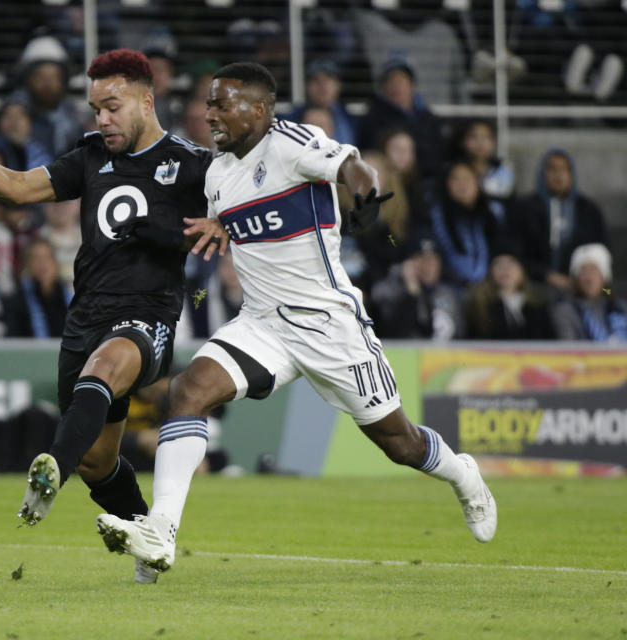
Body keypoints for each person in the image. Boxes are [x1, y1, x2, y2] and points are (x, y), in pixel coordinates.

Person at [95, 62, 497, 583]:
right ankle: (160, 533)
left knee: (401, 444)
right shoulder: (218, 173)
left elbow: (354, 166)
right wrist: (217, 224)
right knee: (189, 390)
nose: (209, 113)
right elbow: (239, 214)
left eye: (222, 103)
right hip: (263, 324)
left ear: (259, 110)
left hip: (330, 327)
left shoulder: (292, 142)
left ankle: (463, 474)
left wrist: (365, 195)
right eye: (208, 103)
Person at [0, 50, 218, 556]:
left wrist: (217, 224)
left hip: (149, 313)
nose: (103, 118)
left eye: (113, 106)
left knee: (103, 368)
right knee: (98, 463)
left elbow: (244, 206)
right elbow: (15, 187)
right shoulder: (91, 157)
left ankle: (50, 468)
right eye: (96, 108)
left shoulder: (191, 164)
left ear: (146, 100)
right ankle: (149, 540)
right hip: (85, 317)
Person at [507, 148, 608, 294]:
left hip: (582, 287)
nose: (558, 174)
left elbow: (602, 251)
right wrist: (545, 275)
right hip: (533, 285)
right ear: (542, 173)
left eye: (564, 169)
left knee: (609, 292)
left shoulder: (588, 210)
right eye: (552, 169)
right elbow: (515, 251)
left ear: (572, 174)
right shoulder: (524, 208)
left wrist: (582, 277)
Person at [462, 253, 555, 341]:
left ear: (521, 270)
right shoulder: (479, 307)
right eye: (498, 264)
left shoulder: (540, 304)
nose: (505, 269)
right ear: (490, 272)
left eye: (511, 263)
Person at [553, 243, 627, 342]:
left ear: (604, 277)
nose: (589, 278)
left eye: (594, 270)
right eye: (583, 271)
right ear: (576, 279)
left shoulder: (620, 307)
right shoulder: (566, 311)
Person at [8, 237, 73, 338]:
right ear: (27, 265)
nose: (42, 263)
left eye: (47, 257)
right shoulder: (17, 301)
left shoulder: (70, 297)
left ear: (55, 263)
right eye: (36, 258)